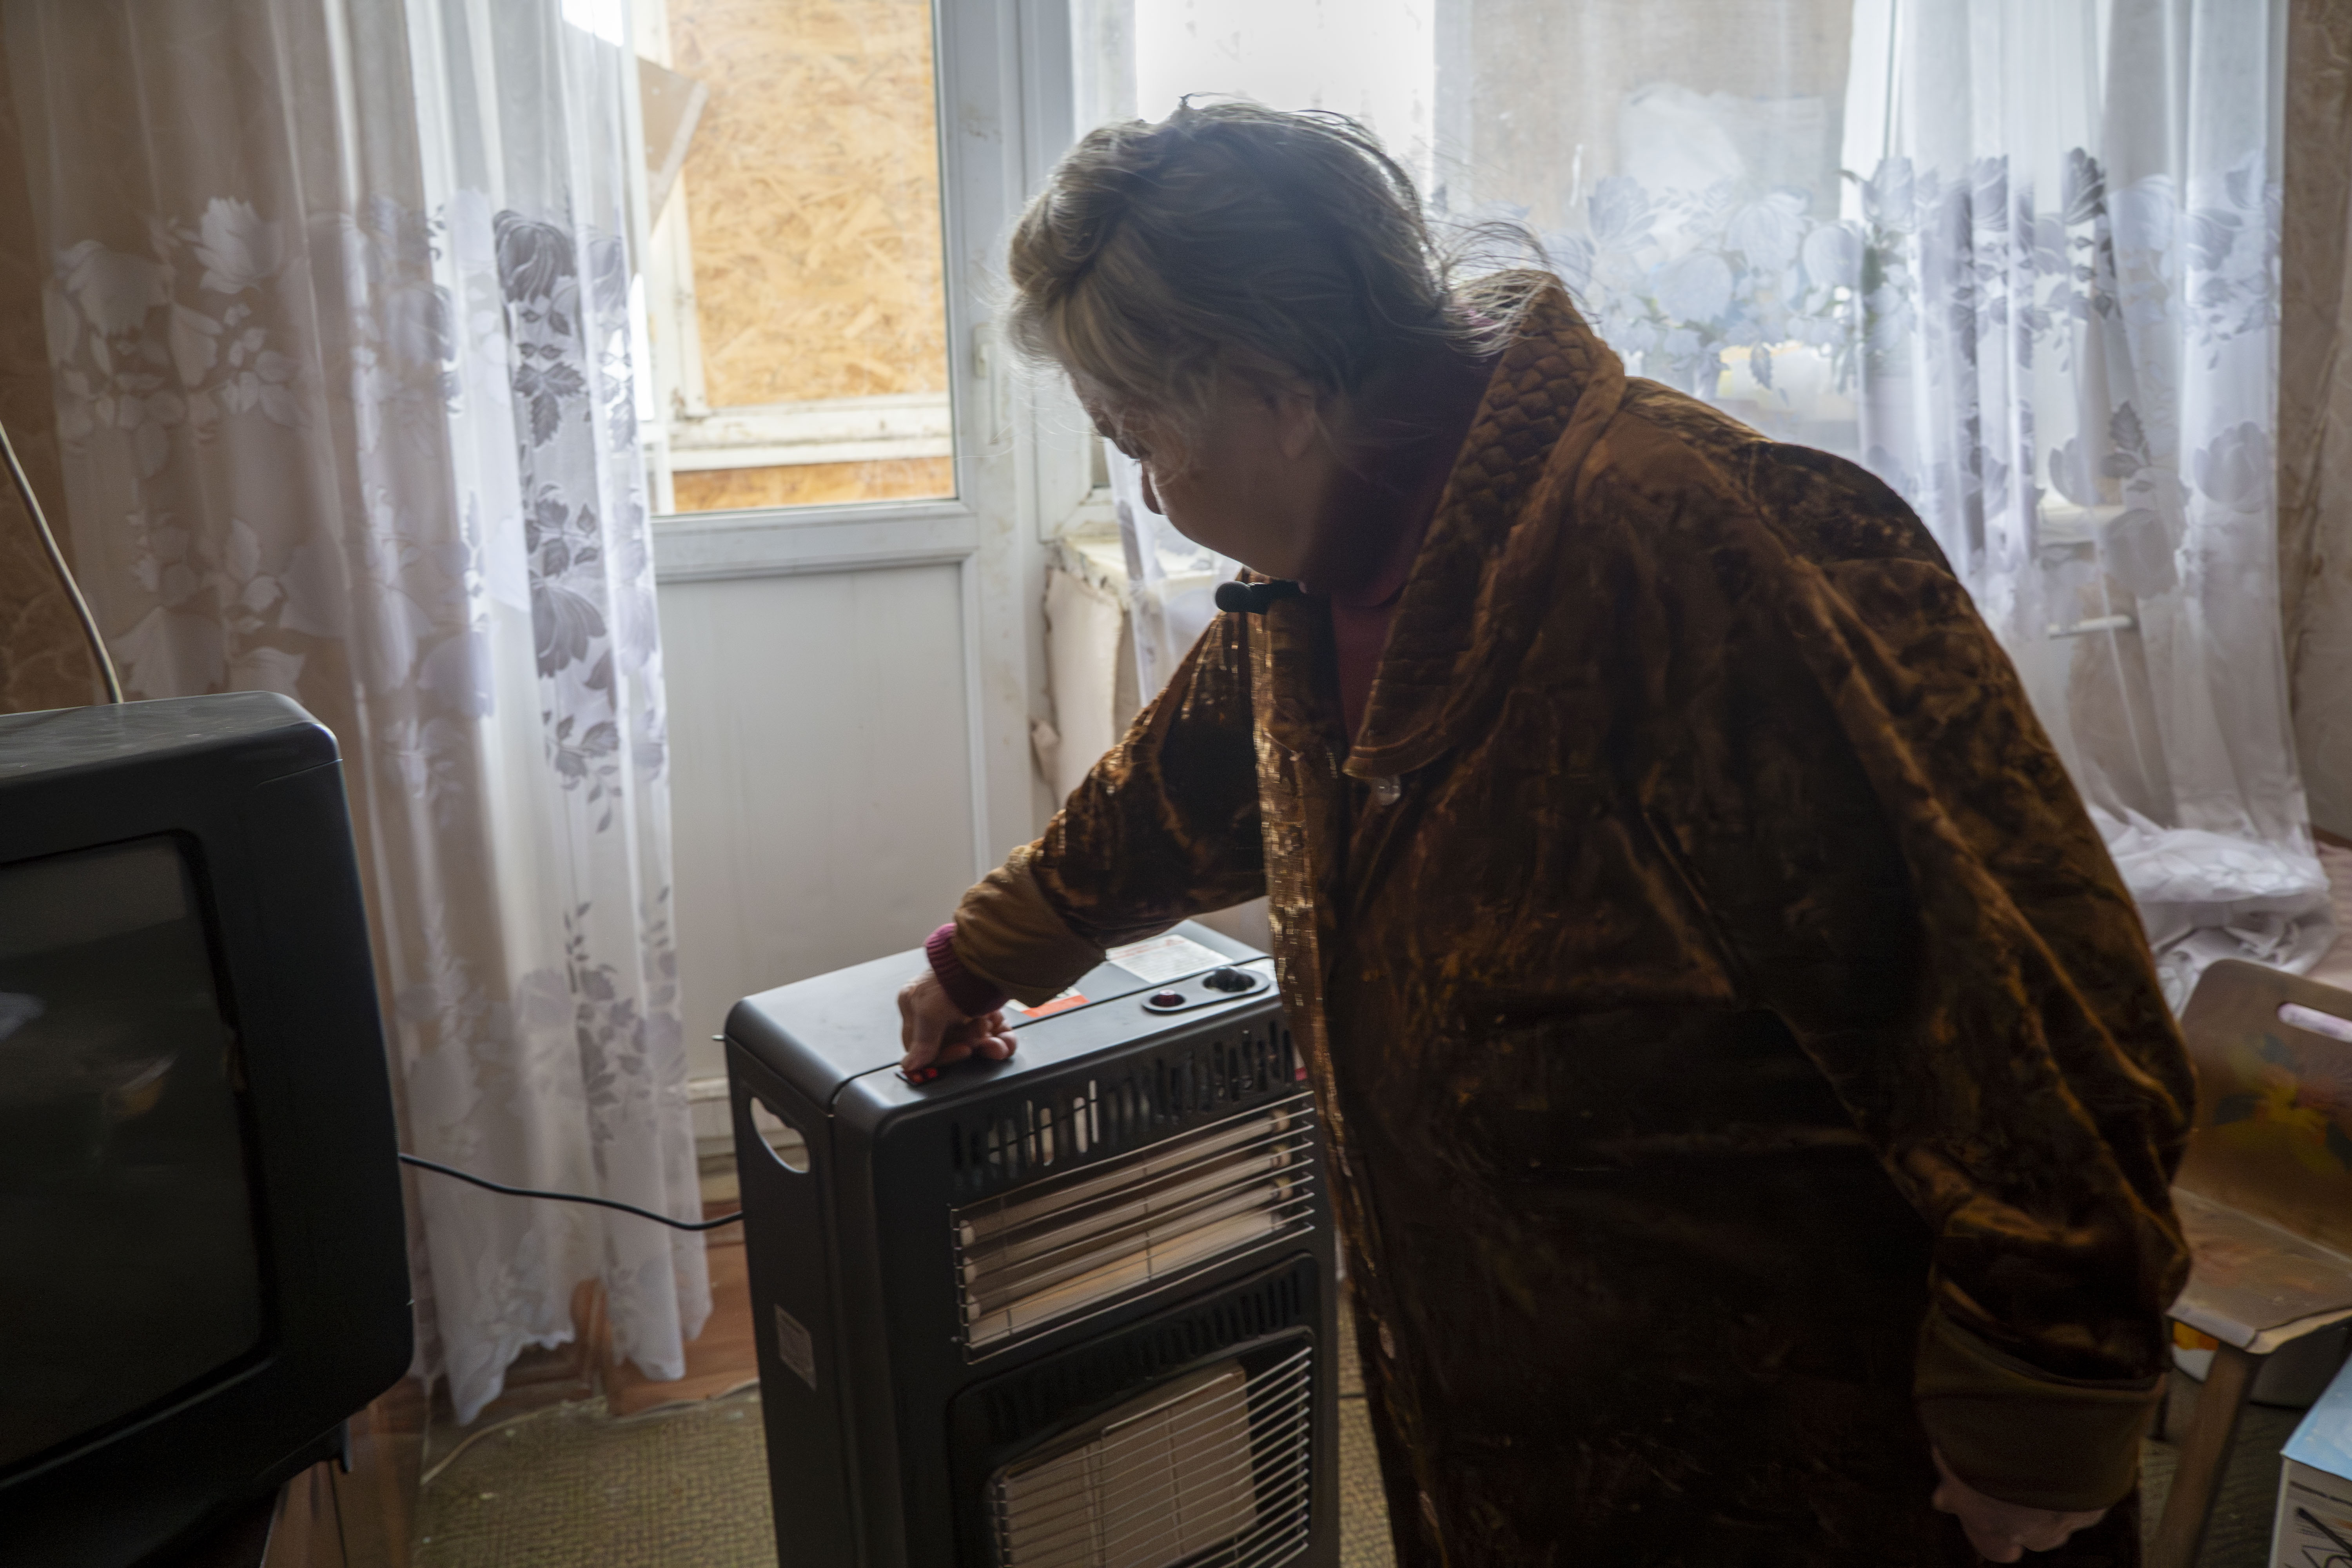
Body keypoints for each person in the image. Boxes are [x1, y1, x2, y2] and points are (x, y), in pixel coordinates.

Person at [898, 102, 2192, 1567]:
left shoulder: (1706, 545)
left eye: (1142, 439)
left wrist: (2042, 1402)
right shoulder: (1330, 567)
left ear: (1273, 391)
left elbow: (2024, 1003)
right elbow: (1183, 788)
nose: (1148, 488)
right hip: (1507, 1393)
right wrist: (985, 957)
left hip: (1798, 1432)